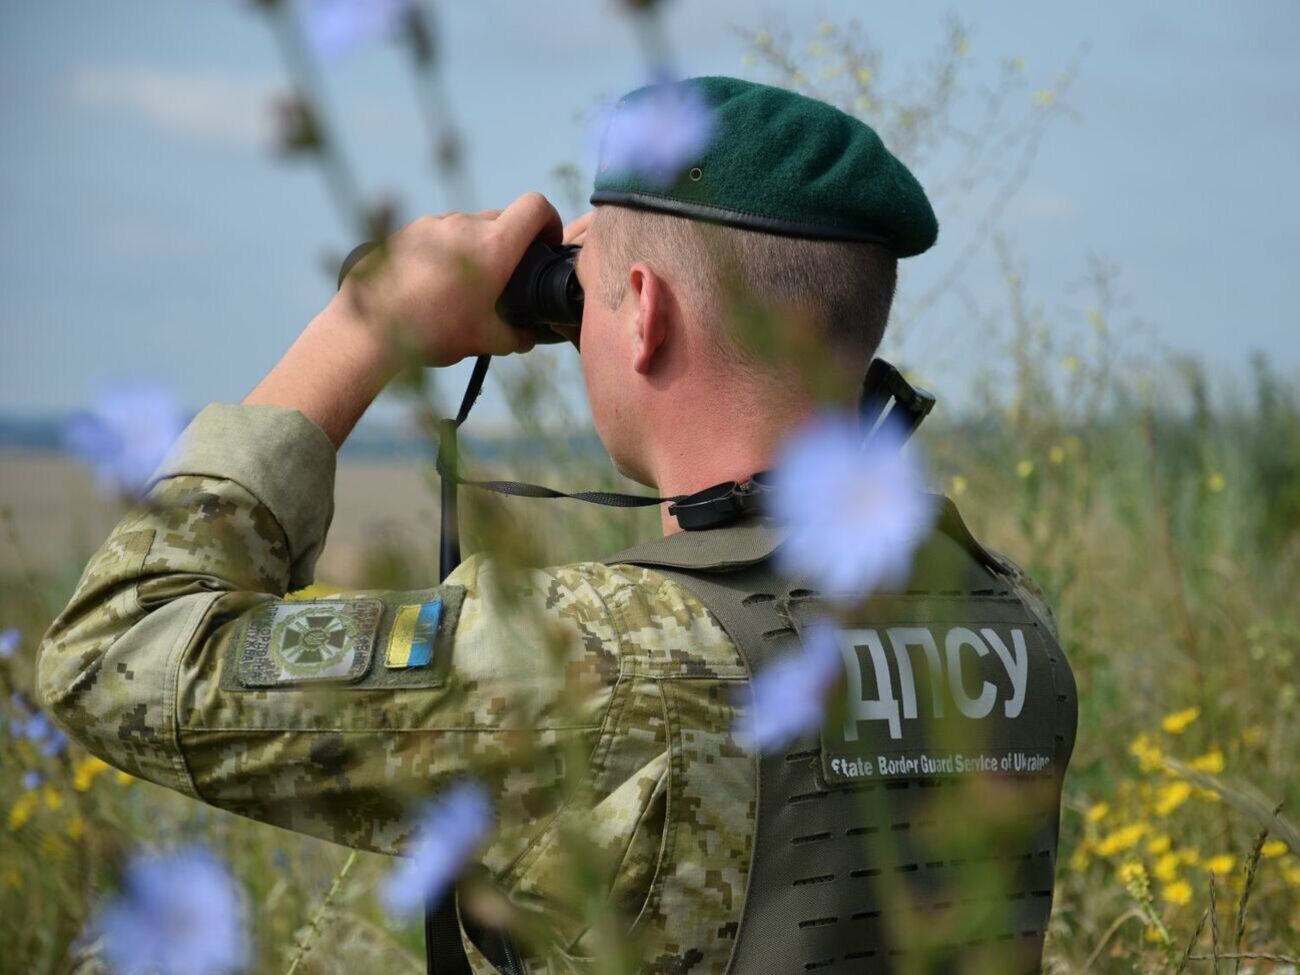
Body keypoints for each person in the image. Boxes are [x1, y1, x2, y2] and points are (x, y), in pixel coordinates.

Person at [39, 76, 1075, 973]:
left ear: (645, 306)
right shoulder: (1007, 620)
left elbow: (115, 651)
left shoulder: (593, 659)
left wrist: (363, 326)